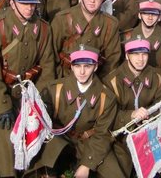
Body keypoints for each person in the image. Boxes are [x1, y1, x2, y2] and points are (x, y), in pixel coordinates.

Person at [0, 0, 55, 178]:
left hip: (28, 94)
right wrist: (2, 104)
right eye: (23, 3)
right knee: (5, 145)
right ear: (12, 3)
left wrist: (41, 101)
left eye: (32, 3)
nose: (29, 7)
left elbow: (48, 66)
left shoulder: (43, 29)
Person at [34, 45, 124, 178]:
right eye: (77, 66)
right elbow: (41, 119)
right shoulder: (55, 89)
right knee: (46, 155)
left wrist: (87, 164)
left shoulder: (106, 97)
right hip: (61, 140)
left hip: (89, 142)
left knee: (114, 173)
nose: (82, 72)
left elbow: (102, 134)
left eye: (87, 66)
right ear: (71, 66)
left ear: (96, 67)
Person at [103, 38, 161, 176]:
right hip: (122, 134)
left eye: (144, 54)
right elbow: (108, 115)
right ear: (127, 55)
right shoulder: (112, 81)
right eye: (135, 54)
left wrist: (149, 116)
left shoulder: (157, 76)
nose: (140, 59)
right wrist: (131, 115)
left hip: (150, 131)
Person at [51, 0, 121, 78]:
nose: (92, 0)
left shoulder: (110, 24)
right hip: (65, 79)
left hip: (96, 82)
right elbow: (51, 56)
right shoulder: (62, 19)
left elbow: (112, 62)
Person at [122, 0, 161, 71]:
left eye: (154, 14)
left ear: (159, 17)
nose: (150, 17)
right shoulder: (126, 37)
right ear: (139, 15)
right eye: (146, 13)